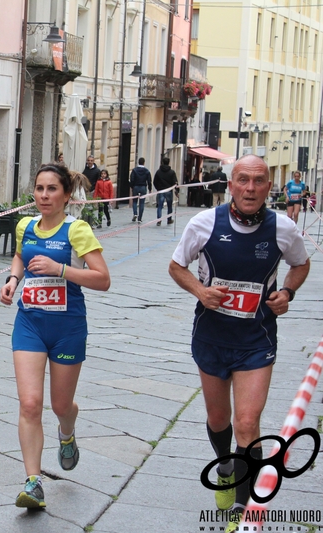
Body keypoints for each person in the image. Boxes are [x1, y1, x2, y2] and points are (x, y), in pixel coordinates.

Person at [168, 155, 309, 531]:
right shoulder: (204, 223)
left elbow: (301, 264)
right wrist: (201, 290)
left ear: (268, 187)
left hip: (256, 340)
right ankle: (226, 467)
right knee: (219, 419)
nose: (250, 188)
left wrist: (288, 293)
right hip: (212, 337)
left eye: (258, 181)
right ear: (230, 185)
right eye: (243, 180)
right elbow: (176, 265)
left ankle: (242, 511)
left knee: (247, 422)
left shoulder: (283, 228)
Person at [0, 163, 111, 509]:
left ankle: (67, 432)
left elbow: (103, 279)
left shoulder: (77, 230)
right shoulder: (25, 225)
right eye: (39, 189)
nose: (44, 196)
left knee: (61, 404)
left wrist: (60, 268)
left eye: (52, 189)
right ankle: (33, 482)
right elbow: (20, 254)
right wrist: (14, 281)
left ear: (65, 195)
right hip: (30, 323)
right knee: (30, 403)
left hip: (67, 328)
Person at [153, 157, 178, 226]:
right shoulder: (172, 172)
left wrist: (158, 188)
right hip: (169, 191)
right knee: (169, 206)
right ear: (168, 163)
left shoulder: (158, 172)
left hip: (161, 190)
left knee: (159, 206)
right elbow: (175, 182)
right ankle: (169, 219)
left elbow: (155, 181)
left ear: (162, 162)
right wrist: (176, 191)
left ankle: (159, 220)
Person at [129, 157, 152, 222]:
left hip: (136, 186)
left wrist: (132, 187)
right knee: (142, 203)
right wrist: (150, 189)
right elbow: (149, 181)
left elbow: (132, 179)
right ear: (144, 162)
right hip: (143, 187)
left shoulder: (134, 170)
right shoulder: (147, 171)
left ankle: (135, 213)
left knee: (135, 201)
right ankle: (140, 218)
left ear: (138, 162)